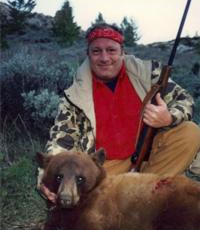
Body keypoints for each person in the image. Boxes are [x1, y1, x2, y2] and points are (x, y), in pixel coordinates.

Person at [38, 22, 200, 202]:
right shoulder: (74, 96)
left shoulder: (148, 73)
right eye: (96, 51)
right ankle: (142, 198)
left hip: (150, 157)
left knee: (189, 132)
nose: (105, 58)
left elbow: (185, 100)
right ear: (88, 55)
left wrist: (169, 117)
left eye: (111, 50)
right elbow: (61, 140)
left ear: (123, 52)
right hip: (105, 167)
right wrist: (47, 175)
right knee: (83, 195)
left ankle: (145, 195)